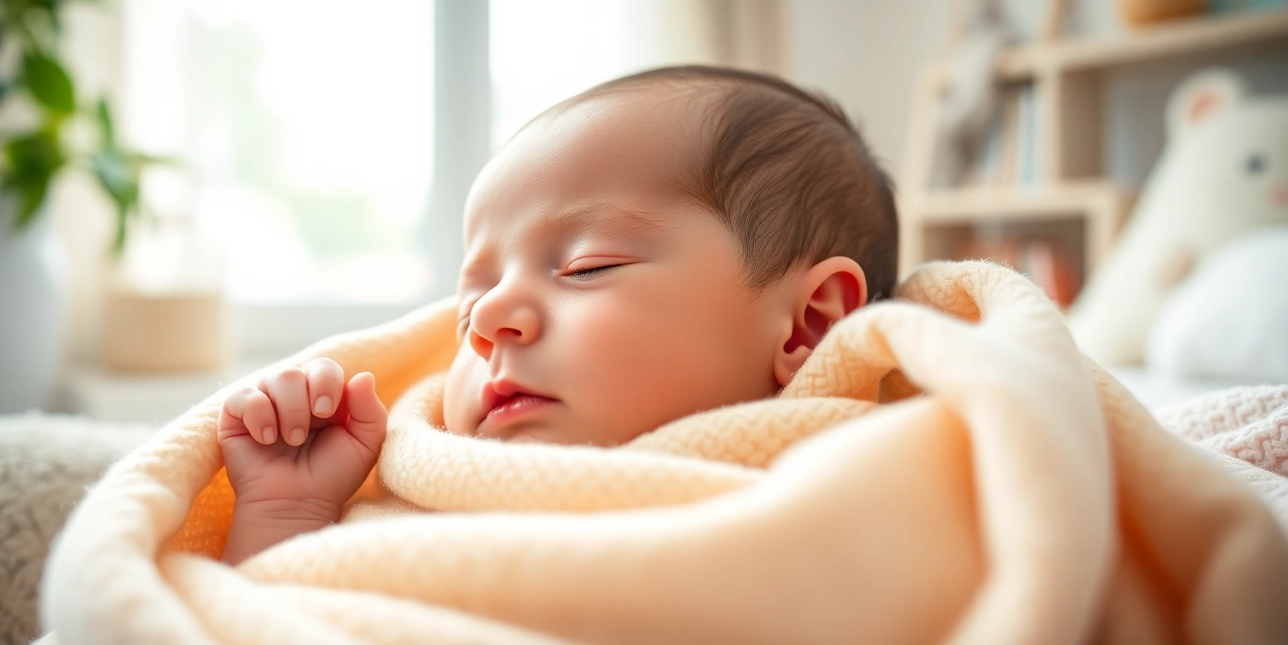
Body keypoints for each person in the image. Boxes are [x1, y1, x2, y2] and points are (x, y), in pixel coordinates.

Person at [217, 66, 899, 564]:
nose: (489, 320)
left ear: (810, 325)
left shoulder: (853, 499)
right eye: (468, 304)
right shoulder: (417, 486)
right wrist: (290, 513)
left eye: (585, 267)